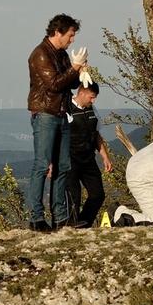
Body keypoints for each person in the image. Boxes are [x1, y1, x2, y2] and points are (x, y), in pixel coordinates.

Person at [27, 13, 87, 231]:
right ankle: (36, 218)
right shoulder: (40, 54)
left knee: (63, 167)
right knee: (42, 165)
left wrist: (79, 72)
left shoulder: (59, 54)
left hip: (61, 114)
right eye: (70, 35)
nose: (72, 40)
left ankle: (61, 218)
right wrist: (75, 69)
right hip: (45, 114)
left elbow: (68, 85)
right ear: (58, 32)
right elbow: (54, 84)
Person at [63, 82, 113, 228]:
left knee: (98, 194)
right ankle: (71, 226)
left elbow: (96, 135)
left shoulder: (93, 110)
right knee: (74, 196)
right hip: (70, 159)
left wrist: (105, 156)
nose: (93, 101)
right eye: (92, 97)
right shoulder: (66, 109)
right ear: (82, 93)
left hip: (88, 159)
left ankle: (84, 223)